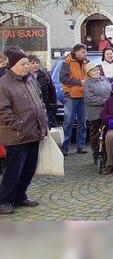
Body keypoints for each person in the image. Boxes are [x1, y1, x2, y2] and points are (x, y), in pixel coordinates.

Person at [0, 47, 48, 215]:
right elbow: (3, 110)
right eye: (23, 63)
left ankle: (20, 196)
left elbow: (40, 102)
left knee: (29, 168)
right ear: (13, 65)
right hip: (16, 135)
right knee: (13, 170)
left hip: (34, 132)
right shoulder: (3, 84)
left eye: (28, 63)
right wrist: (19, 124)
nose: (27, 66)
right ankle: (4, 200)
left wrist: (43, 122)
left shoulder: (30, 80)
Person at [59, 43, 89, 156]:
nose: (85, 54)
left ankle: (80, 146)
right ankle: (65, 148)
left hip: (83, 95)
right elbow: (62, 78)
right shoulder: (67, 62)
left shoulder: (87, 62)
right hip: (71, 95)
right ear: (76, 52)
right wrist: (78, 82)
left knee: (83, 123)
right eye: (83, 52)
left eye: (85, 52)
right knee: (68, 122)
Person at [83, 61, 112, 164]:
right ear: (89, 73)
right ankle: (96, 154)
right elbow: (89, 99)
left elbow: (111, 91)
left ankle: (107, 154)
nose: (96, 72)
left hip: (107, 112)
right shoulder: (87, 83)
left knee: (107, 134)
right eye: (93, 70)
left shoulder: (104, 80)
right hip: (95, 113)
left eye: (97, 70)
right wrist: (104, 101)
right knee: (96, 134)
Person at [28, 55, 58, 129]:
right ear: (27, 64)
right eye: (32, 63)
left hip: (45, 107)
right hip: (30, 109)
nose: (35, 65)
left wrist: (53, 104)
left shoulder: (45, 76)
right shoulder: (24, 77)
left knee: (46, 128)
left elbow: (52, 90)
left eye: (37, 62)